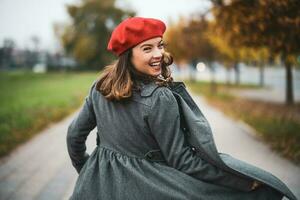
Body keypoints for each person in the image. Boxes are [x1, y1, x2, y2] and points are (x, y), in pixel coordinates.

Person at [66, 17, 297, 200]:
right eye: (147, 49)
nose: (158, 54)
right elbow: (183, 160)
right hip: (148, 189)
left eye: (160, 45)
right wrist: (242, 182)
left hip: (95, 190)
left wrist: (89, 171)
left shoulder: (100, 86)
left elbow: (74, 137)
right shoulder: (159, 98)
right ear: (128, 56)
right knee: (259, 193)